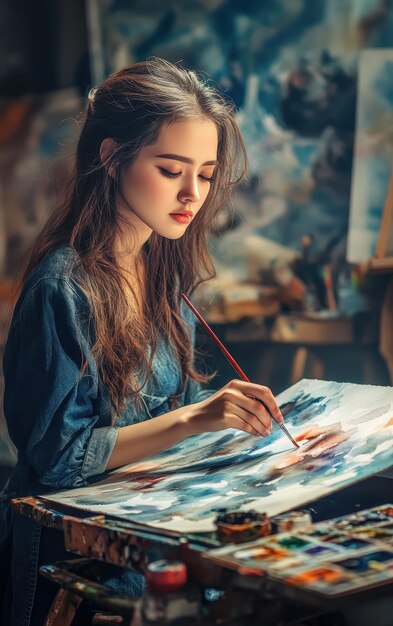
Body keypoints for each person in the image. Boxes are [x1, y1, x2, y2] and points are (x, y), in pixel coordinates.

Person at [0, 57, 285, 626]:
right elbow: (57, 459)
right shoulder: (64, 286)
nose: (192, 194)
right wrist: (195, 420)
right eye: (171, 169)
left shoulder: (160, 273)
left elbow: (167, 425)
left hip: (147, 529)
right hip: (74, 557)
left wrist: (225, 440)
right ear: (112, 157)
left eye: (205, 174)